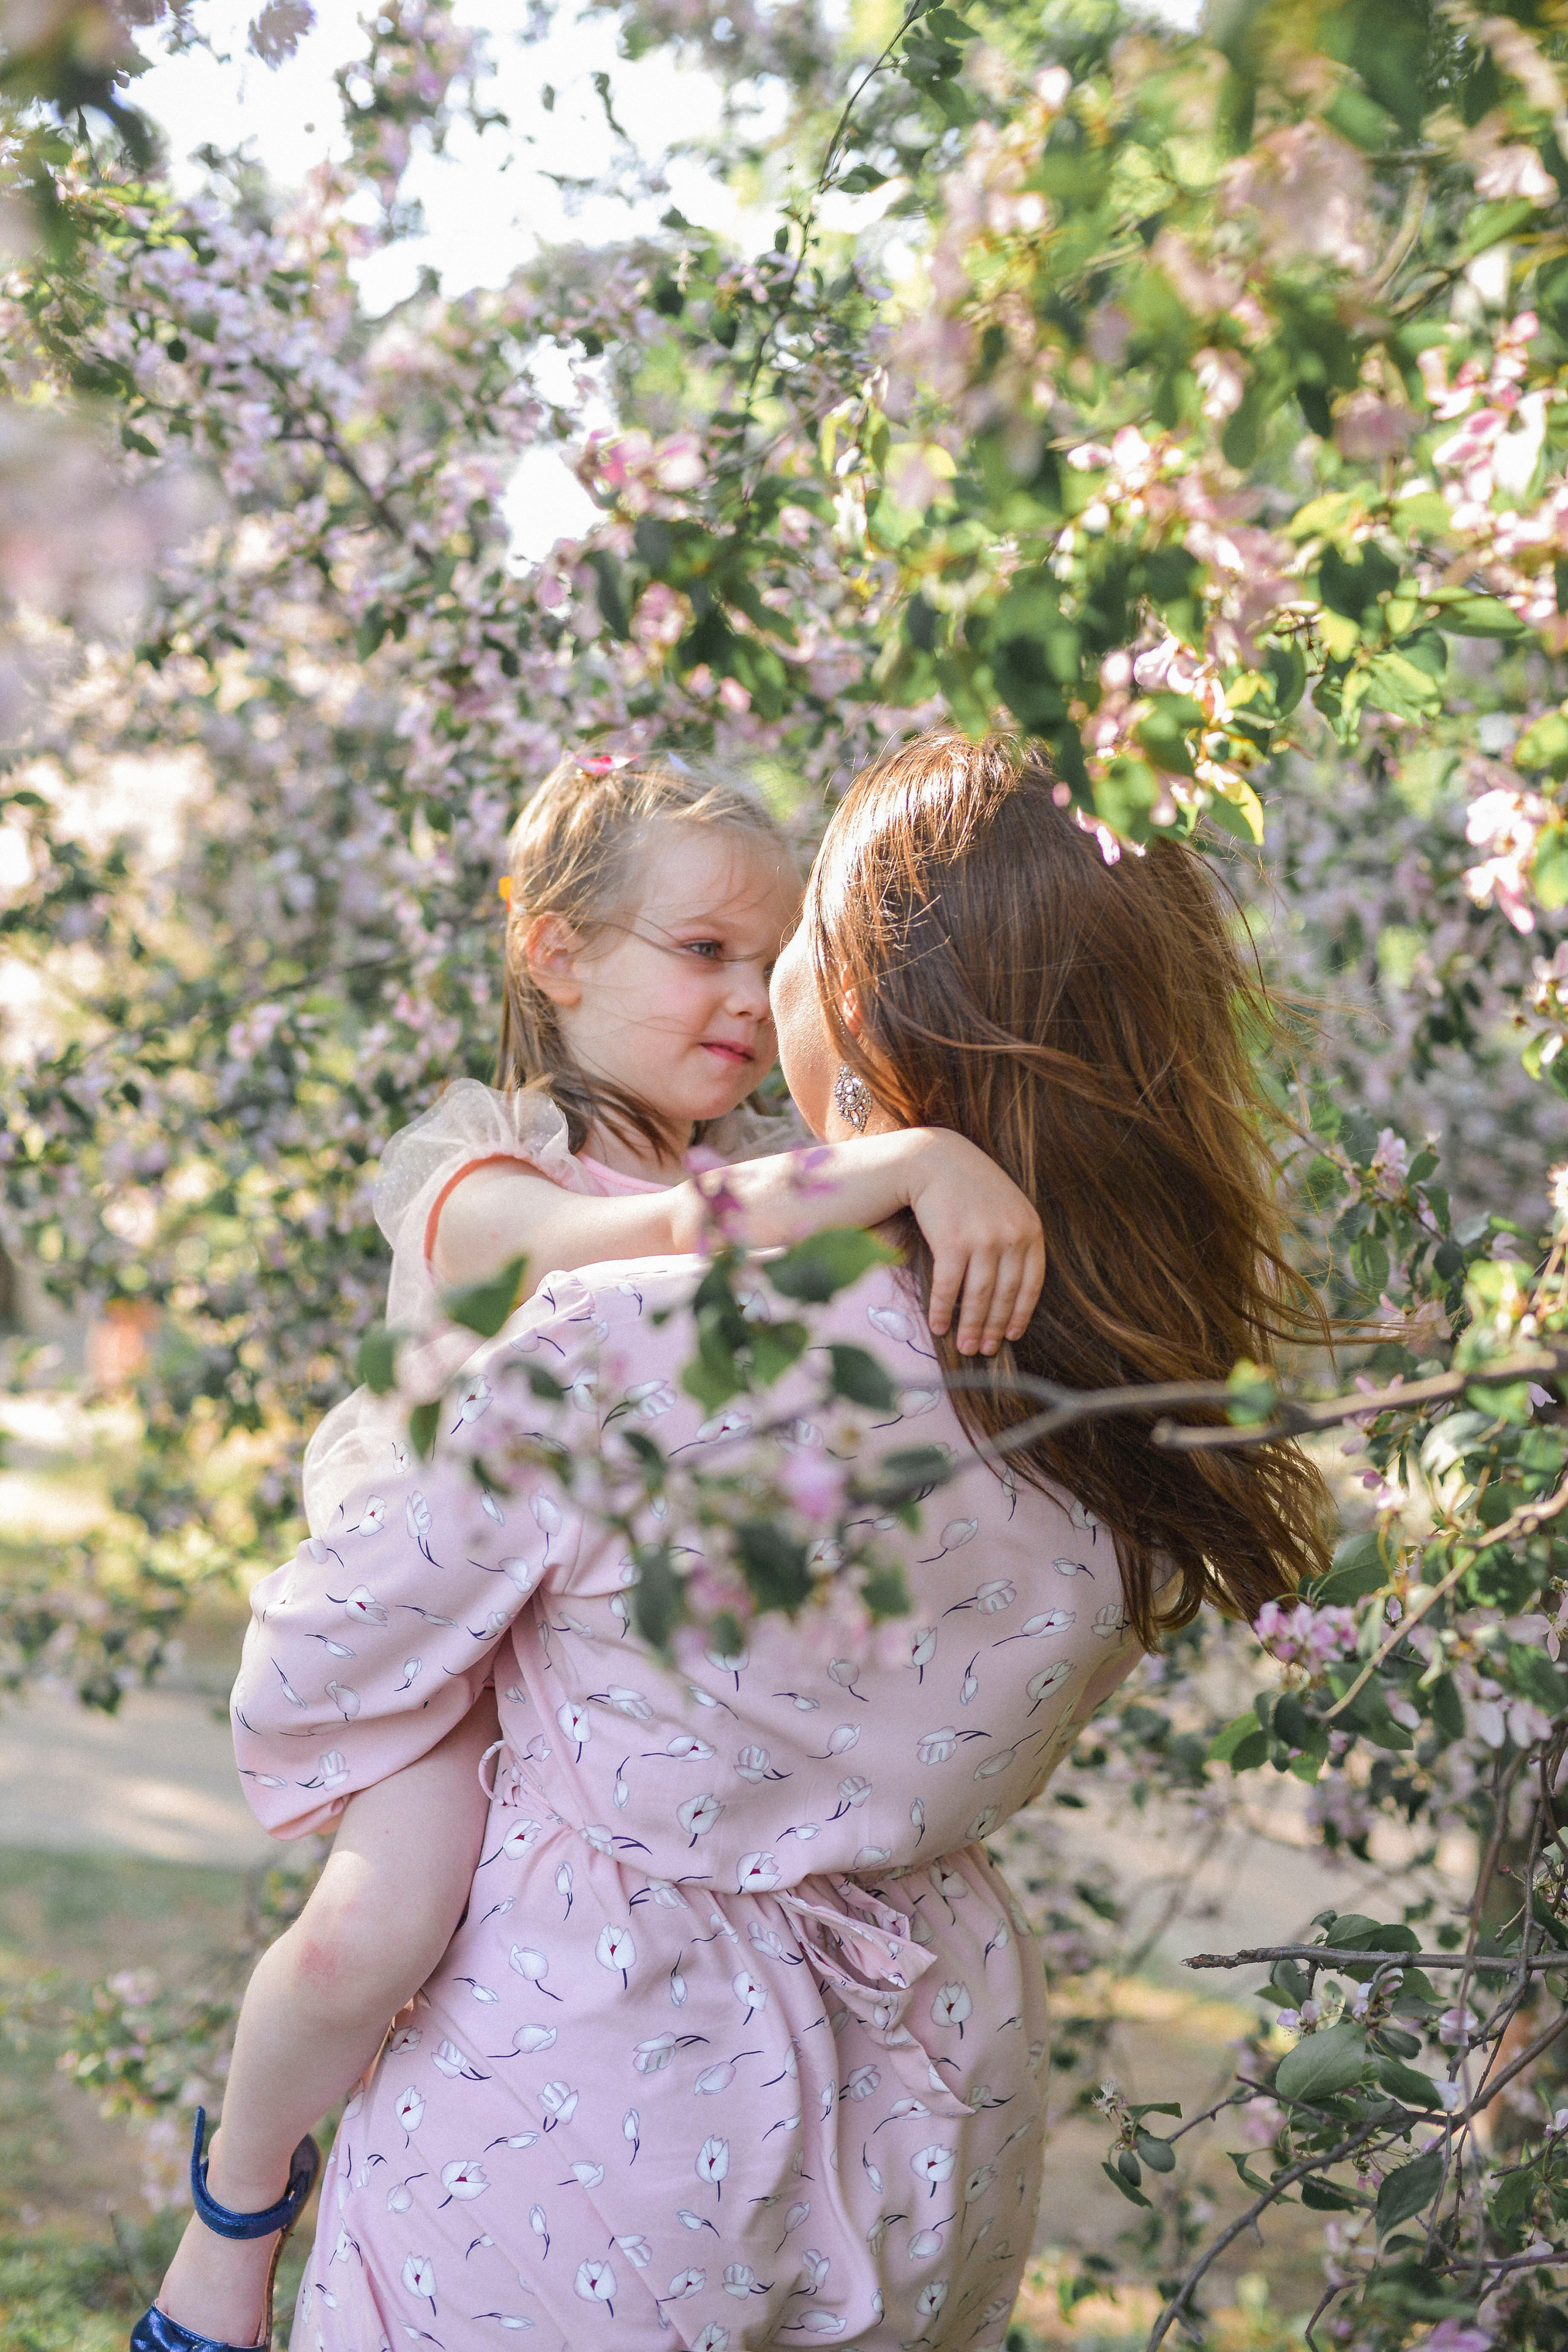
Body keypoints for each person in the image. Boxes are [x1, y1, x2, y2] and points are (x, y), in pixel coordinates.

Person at [139, 730, 1330, 2352]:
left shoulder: (673, 1328)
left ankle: (223, 2249)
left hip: (596, 2102)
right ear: (553, 955)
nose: (743, 996)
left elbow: (306, 1678)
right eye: (703, 950)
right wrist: (913, 1159)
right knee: (359, 1931)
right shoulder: (1122, 1386)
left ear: (859, 995)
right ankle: (237, 2207)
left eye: (778, 954)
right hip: (933, 2092)